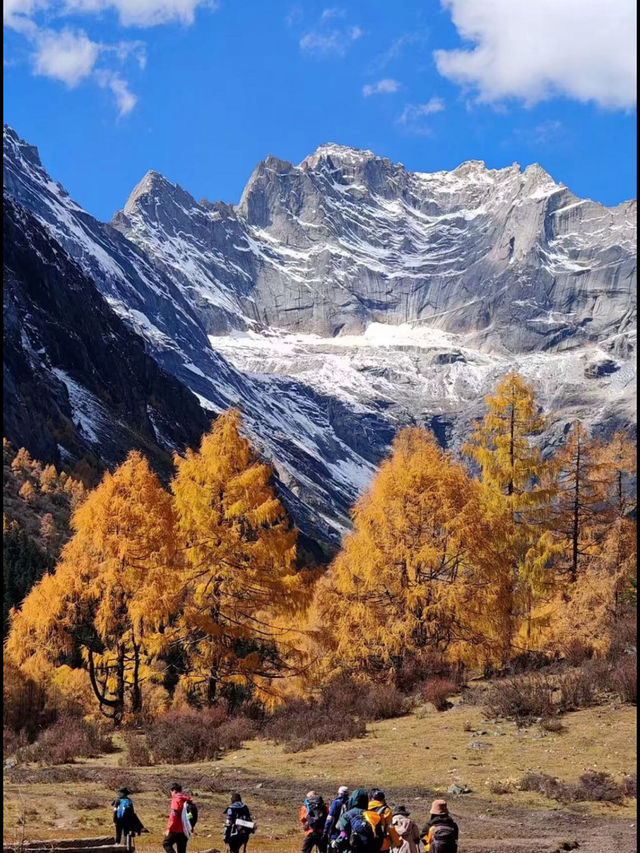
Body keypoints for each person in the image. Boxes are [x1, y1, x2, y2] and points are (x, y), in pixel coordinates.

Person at [163, 782, 197, 853]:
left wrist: (169, 828)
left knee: (166, 843)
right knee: (181, 850)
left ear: (174, 790)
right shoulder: (187, 800)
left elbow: (174, 815)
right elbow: (189, 815)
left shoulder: (176, 799)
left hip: (176, 828)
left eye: (171, 792)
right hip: (186, 829)